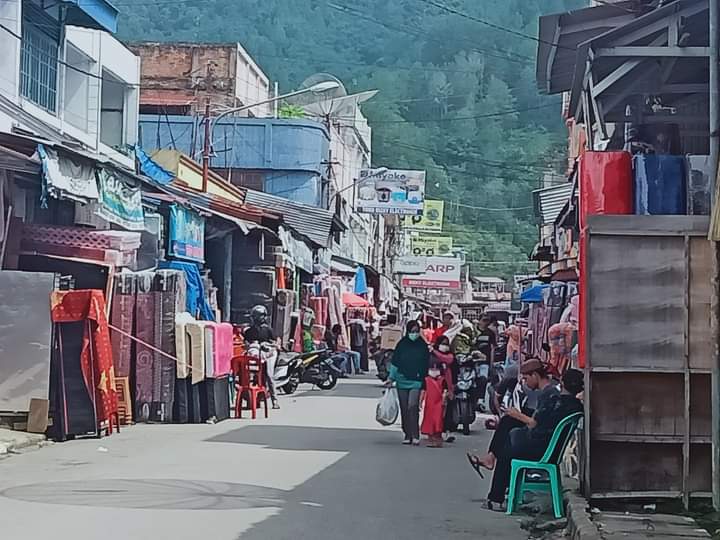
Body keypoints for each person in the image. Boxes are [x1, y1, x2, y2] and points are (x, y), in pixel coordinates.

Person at [470, 367, 584, 511]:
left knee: (506, 452)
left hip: (542, 449)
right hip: (550, 448)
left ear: (562, 383)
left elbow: (535, 424)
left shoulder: (555, 401)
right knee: (508, 427)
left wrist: (518, 420)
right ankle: (492, 463)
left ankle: (495, 498)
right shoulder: (575, 405)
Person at [467, 358, 558, 473]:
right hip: (542, 437)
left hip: (541, 444)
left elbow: (535, 424)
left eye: (526, 378)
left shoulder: (548, 394)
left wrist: (518, 415)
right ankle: (490, 457)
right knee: (508, 420)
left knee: (505, 451)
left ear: (535, 375)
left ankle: (497, 489)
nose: (525, 383)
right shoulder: (548, 392)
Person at [387, 320, 430, 445]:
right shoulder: (402, 344)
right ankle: (407, 434)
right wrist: (391, 378)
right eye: (412, 331)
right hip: (401, 380)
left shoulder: (422, 346)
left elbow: (426, 364)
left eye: (417, 331)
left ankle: (415, 434)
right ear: (407, 331)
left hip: (416, 380)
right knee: (404, 408)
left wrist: (425, 381)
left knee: (413, 406)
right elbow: (395, 362)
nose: (414, 334)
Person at [244, 305, 280, 409]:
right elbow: (245, 344)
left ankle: (275, 401)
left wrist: (270, 347)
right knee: (248, 376)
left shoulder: (268, 330)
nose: (256, 319)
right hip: (255, 355)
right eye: (254, 316)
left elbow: (276, 342)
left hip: (269, 354)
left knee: (269, 375)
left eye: (258, 316)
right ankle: (251, 401)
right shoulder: (249, 331)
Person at [431, 335, 456, 443]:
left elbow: (448, 360)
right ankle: (435, 432)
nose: (445, 346)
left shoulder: (449, 356)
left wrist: (451, 389)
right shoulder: (431, 356)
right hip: (435, 386)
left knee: (446, 411)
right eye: (443, 343)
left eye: (446, 344)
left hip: (446, 386)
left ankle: (446, 431)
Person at [421, 364, 448, 448]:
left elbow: (445, 391)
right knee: (429, 421)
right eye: (432, 368)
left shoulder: (442, 380)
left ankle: (438, 440)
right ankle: (431, 439)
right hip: (429, 404)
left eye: (436, 368)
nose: (434, 370)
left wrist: (444, 400)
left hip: (439, 403)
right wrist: (420, 401)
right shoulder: (426, 380)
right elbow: (423, 391)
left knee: (438, 421)